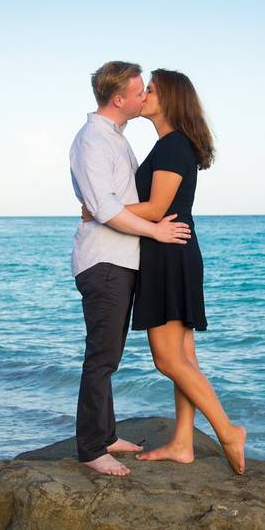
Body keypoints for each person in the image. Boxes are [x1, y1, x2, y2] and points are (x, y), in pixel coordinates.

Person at [84, 68, 247, 475]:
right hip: (171, 250)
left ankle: (227, 431)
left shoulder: (173, 145)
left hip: (168, 252)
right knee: (184, 357)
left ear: (170, 99)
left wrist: (99, 211)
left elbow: (157, 209)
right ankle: (183, 443)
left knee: (168, 360)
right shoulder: (170, 145)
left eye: (151, 90)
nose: (145, 95)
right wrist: (107, 210)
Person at [69, 61, 192, 477]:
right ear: (119, 99)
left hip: (122, 259)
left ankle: (104, 434)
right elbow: (104, 209)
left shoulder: (117, 139)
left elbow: (110, 205)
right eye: (140, 91)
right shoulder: (92, 141)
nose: (144, 97)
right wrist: (156, 231)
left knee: (111, 356)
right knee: (101, 358)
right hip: (104, 260)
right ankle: (90, 448)